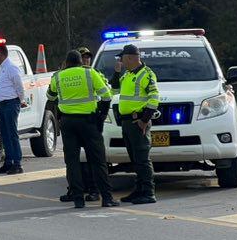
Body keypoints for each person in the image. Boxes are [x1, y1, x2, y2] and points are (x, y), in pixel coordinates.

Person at [47, 50, 118, 209]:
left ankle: (78, 199)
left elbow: (50, 96)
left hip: (67, 122)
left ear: (66, 62)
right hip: (88, 122)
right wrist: (101, 116)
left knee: (72, 162)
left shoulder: (59, 76)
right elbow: (106, 96)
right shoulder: (90, 73)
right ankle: (106, 198)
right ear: (80, 62)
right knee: (98, 161)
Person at [111, 43, 160, 204]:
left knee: (142, 159)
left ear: (130, 57)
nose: (121, 61)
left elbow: (154, 97)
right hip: (127, 123)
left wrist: (144, 120)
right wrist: (116, 73)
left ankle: (148, 192)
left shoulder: (146, 74)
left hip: (138, 121)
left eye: (122, 58)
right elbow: (115, 89)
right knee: (135, 159)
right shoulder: (127, 74)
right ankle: (139, 190)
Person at [59, 47, 101, 202]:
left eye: (88, 57)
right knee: (74, 161)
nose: (86, 60)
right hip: (81, 121)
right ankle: (75, 191)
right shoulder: (86, 74)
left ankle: (92, 190)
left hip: (84, 120)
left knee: (89, 159)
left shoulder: (94, 73)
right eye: (83, 57)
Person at [0, 43, 26, 175]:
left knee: (12, 134)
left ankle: (17, 163)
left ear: (1, 53)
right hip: (3, 104)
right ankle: (8, 162)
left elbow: (19, 86)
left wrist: (21, 100)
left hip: (11, 103)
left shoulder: (11, 67)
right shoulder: (1, 68)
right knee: (5, 134)